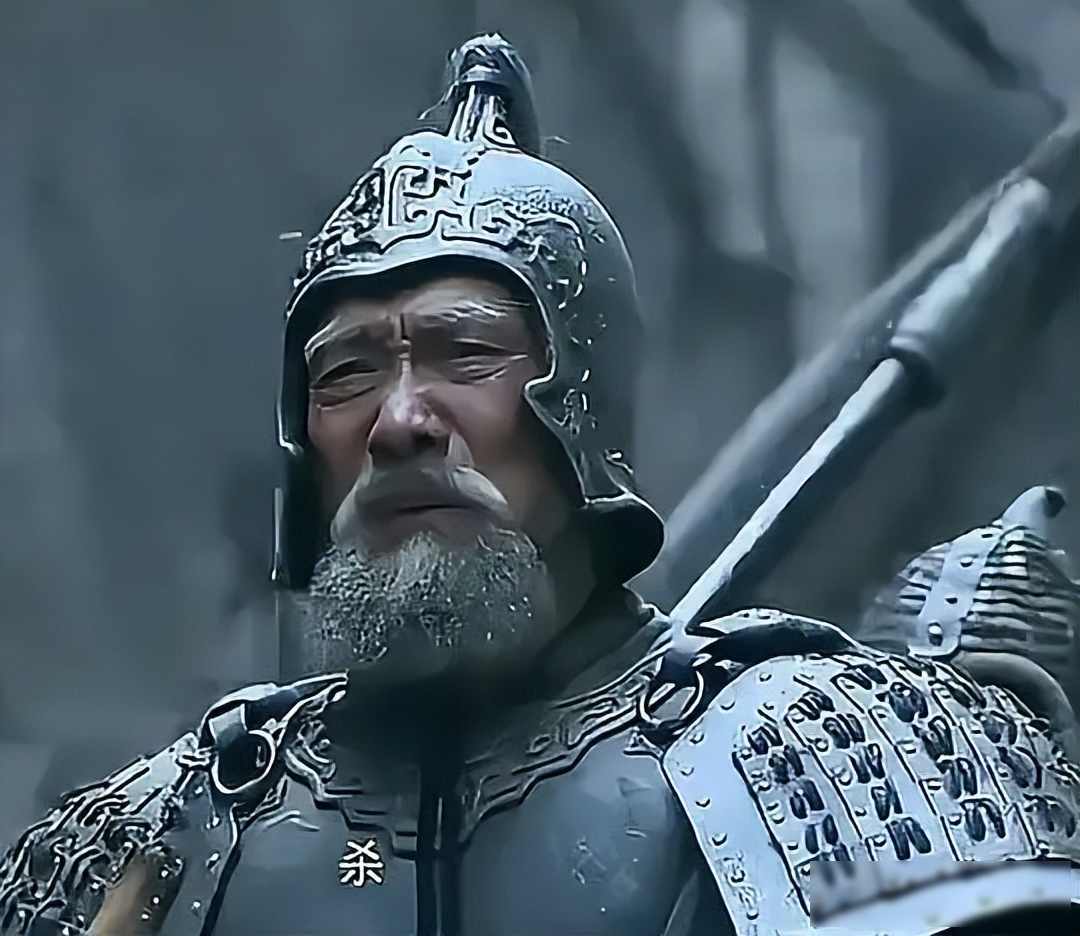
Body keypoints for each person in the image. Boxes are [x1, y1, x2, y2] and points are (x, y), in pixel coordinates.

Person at [1, 34, 1077, 936]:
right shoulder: (154, 842)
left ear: (580, 406)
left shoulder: (830, 754)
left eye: (465, 354)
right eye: (347, 373)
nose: (399, 421)